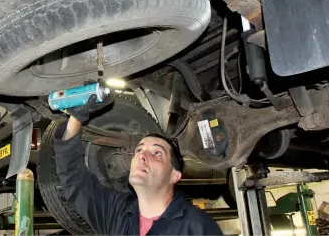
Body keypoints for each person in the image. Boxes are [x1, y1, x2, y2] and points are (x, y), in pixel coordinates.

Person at [53, 94, 223, 235]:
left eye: (156, 153)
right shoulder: (116, 212)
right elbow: (73, 178)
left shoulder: (198, 227)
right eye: (139, 150)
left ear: (174, 175)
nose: (142, 156)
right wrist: (76, 117)